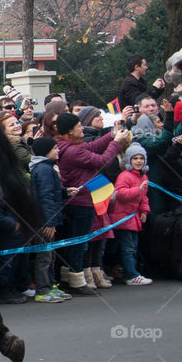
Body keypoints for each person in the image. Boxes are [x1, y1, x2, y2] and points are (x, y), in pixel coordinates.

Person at [55, 112, 131, 294]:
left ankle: (68, 278)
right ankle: (77, 281)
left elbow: (92, 146)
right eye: (79, 126)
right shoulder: (74, 151)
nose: (82, 128)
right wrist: (116, 143)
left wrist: (111, 135)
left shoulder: (67, 146)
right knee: (80, 243)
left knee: (74, 241)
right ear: (70, 131)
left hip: (75, 201)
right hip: (82, 201)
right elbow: (102, 160)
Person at [28, 138, 75, 303]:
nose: (58, 150)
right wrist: (50, 222)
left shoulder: (46, 168)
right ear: (45, 151)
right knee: (45, 256)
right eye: (55, 148)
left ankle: (51, 285)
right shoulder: (44, 170)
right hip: (44, 221)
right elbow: (45, 197)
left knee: (52, 255)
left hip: (47, 219)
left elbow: (51, 191)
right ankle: (42, 290)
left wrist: (64, 191)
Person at [108, 143, 154, 285]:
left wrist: (144, 211)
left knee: (132, 246)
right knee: (128, 248)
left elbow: (144, 197)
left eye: (141, 158)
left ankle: (127, 271)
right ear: (129, 160)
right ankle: (131, 275)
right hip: (123, 217)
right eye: (135, 158)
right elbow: (120, 194)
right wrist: (137, 190)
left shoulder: (144, 177)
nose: (139, 161)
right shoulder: (124, 176)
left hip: (133, 217)